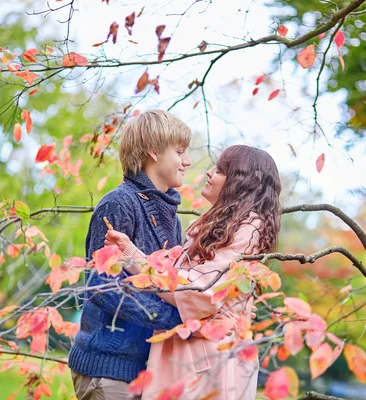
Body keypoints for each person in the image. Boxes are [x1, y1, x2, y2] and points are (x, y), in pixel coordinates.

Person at [106, 145, 282, 399]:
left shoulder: (248, 229)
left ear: (240, 184)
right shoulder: (215, 228)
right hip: (192, 353)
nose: (210, 172)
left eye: (221, 170)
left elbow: (197, 292)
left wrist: (132, 255)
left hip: (206, 361)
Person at [68, 110, 192, 399]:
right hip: (109, 371)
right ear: (154, 152)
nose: (187, 161)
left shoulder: (171, 218)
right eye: (180, 151)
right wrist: (175, 318)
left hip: (148, 371)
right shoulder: (118, 204)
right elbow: (102, 287)